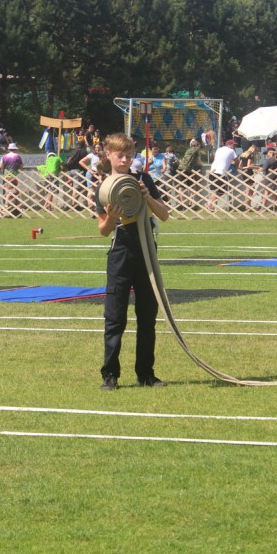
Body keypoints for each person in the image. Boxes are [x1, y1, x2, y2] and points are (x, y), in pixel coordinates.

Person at [96, 132, 169, 390]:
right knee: (115, 318)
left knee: (147, 316)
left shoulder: (143, 179)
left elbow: (164, 214)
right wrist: (111, 217)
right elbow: (103, 230)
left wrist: (147, 197)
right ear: (109, 155)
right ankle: (110, 375)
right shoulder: (105, 187)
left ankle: (146, 374)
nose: (125, 160)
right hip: (121, 253)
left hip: (146, 250)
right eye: (120, 155)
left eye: (129, 155)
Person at [207, 139, 239, 209]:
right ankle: (209, 203)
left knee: (215, 190)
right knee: (222, 191)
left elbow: (220, 159)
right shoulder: (231, 151)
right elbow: (237, 161)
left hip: (212, 171)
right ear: (229, 145)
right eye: (234, 145)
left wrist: (229, 161)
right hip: (221, 172)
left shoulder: (219, 149)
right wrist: (236, 166)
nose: (235, 147)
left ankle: (210, 205)